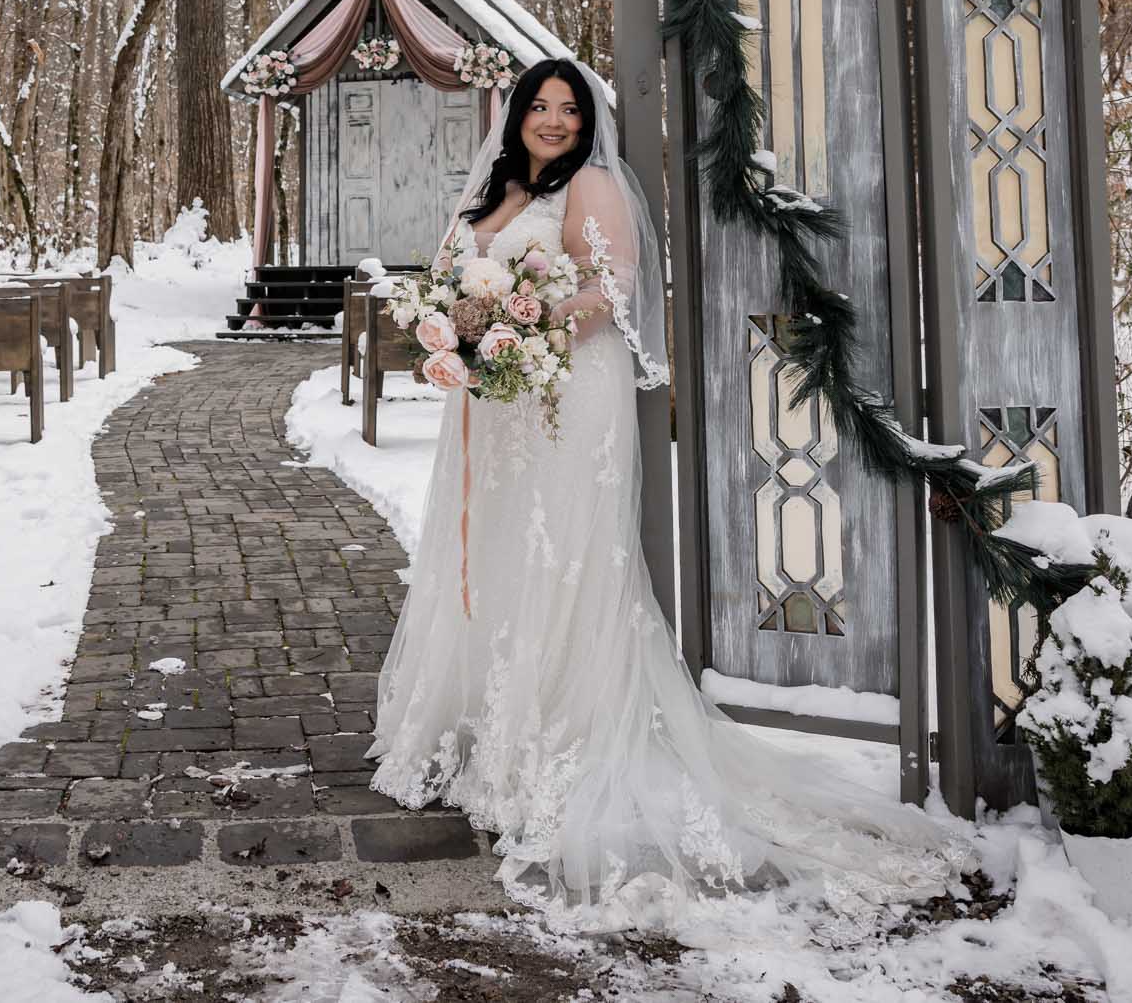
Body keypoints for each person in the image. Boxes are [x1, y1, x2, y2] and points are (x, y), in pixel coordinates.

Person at [368, 58, 963, 928]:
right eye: (540, 106)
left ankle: (558, 732)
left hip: (568, 395)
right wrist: (466, 329)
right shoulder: (487, 194)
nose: (554, 120)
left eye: (569, 109)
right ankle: (493, 722)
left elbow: (609, 292)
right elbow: (456, 278)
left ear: (586, 121)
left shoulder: (596, 186)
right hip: (494, 404)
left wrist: (518, 327)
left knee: (562, 552)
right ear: (517, 114)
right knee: (496, 552)